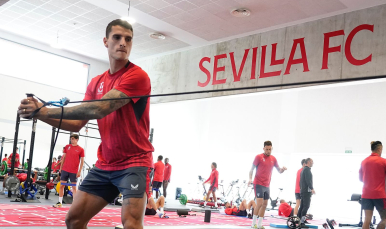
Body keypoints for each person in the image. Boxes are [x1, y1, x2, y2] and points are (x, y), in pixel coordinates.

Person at [18, 19, 154, 229]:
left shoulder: (137, 76)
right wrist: (39, 114)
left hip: (134, 162)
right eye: (117, 38)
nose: (123, 43)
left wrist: (43, 109)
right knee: (74, 220)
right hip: (106, 164)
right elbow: (76, 123)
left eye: (128, 39)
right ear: (105, 41)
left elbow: (99, 109)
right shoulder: (96, 82)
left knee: (131, 224)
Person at [249, 141, 287, 229]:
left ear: (272, 149)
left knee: (265, 204)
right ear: (263, 148)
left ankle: (259, 224)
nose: (268, 151)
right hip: (258, 183)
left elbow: (279, 171)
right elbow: (251, 169)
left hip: (267, 185)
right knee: (259, 203)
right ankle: (253, 223)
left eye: (270, 149)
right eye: (267, 149)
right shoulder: (258, 157)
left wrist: (283, 169)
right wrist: (250, 179)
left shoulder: (273, 159)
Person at [359, 141, 386, 229]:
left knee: (367, 220)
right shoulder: (383, 162)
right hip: (379, 195)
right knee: (385, 219)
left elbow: (360, 179)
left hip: (366, 194)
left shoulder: (364, 162)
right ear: (379, 149)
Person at [53, 134, 85, 208]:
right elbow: (63, 158)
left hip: (74, 171)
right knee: (62, 186)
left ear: (77, 139)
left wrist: (79, 171)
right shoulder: (67, 147)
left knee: (74, 187)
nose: (72, 140)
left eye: (73, 139)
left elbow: (82, 161)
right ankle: (59, 202)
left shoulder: (81, 149)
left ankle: (74, 204)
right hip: (65, 169)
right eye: (71, 138)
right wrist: (61, 168)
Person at [298, 158, 315, 228]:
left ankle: (299, 220)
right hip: (306, 191)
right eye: (312, 161)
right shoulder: (307, 170)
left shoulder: (303, 170)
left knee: (302, 206)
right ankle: (301, 222)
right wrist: (312, 188)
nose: (313, 163)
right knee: (306, 206)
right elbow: (308, 181)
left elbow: (301, 182)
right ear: (308, 162)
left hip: (303, 190)